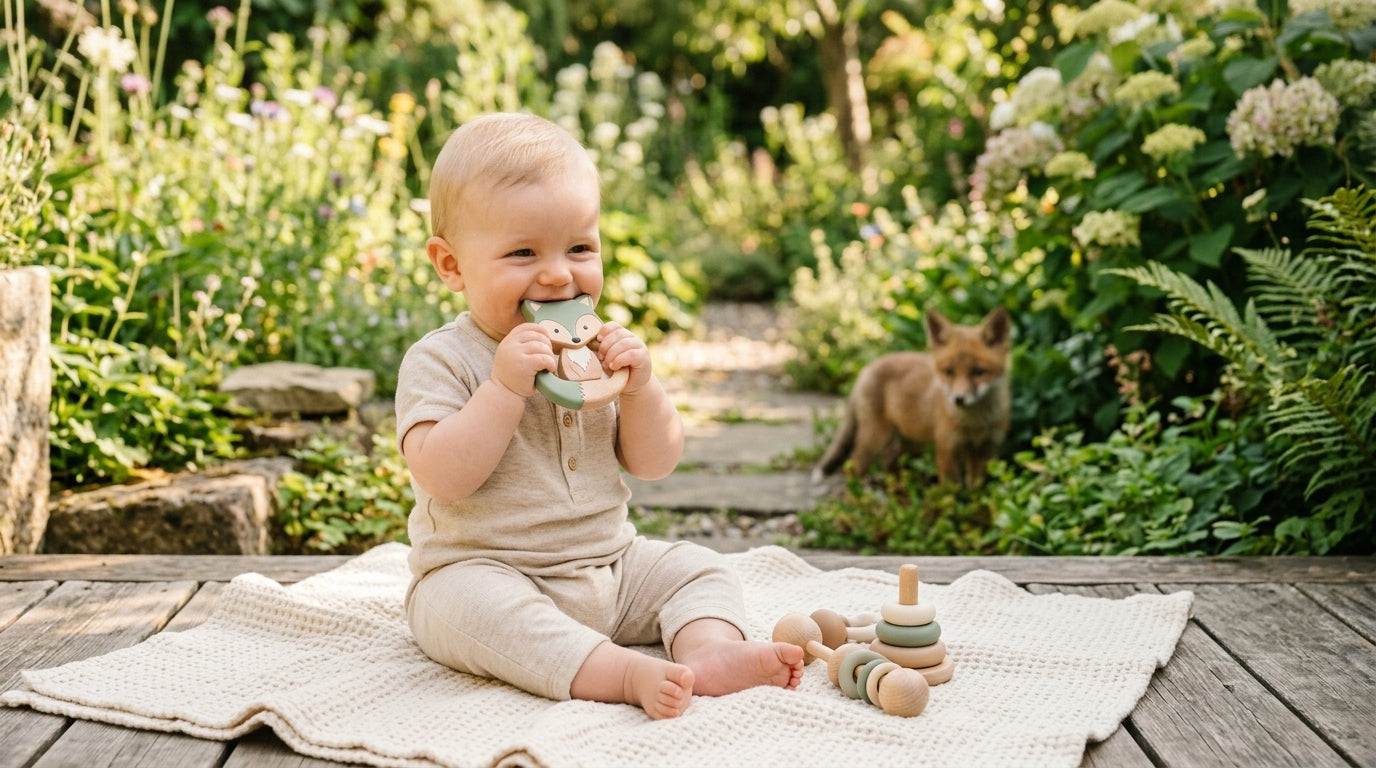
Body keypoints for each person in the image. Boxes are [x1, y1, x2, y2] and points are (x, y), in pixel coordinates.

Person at [396, 112, 804, 720]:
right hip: (488, 569)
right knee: (466, 607)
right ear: (451, 265)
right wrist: (505, 388)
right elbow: (442, 476)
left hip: (611, 567)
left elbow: (655, 462)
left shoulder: (593, 354)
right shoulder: (441, 359)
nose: (559, 273)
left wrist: (641, 390)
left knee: (698, 566)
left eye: (580, 248)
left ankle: (709, 651)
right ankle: (617, 672)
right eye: (522, 252)